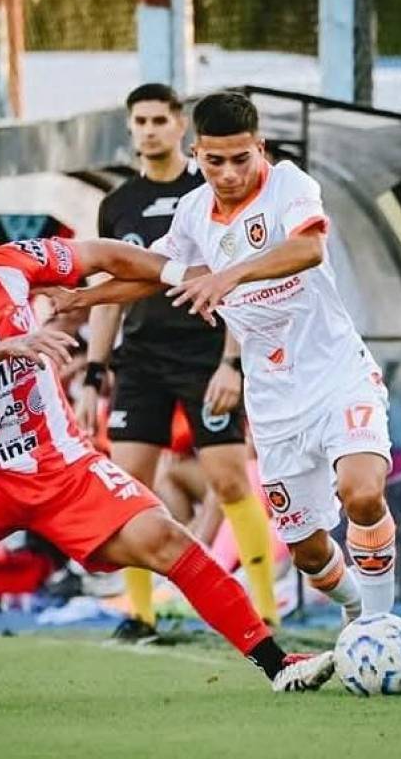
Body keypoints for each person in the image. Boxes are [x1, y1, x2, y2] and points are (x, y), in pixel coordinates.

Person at [0, 182, 334, 705]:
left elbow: (101, 254)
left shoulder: (13, 263)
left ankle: (278, 664)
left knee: (166, 539)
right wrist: (8, 347)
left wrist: (180, 273)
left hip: (63, 466)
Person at [46, 91, 396, 624]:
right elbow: (152, 274)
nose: (229, 173)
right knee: (307, 551)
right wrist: (84, 298)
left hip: (336, 373)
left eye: (241, 158)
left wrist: (227, 276)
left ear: (261, 148)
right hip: (274, 397)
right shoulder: (192, 212)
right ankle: (353, 608)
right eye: (215, 161)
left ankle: (380, 621)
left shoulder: (289, 184)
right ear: (197, 152)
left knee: (362, 493)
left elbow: (308, 248)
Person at [79, 83, 277, 641]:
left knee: (230, 481)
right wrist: (94, 372)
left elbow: (241, 282)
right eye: (139, 121)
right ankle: (140, 614)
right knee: (129, 487)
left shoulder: (209, 189)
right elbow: (111, 291)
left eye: (159, 120)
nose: (149, 130)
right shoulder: (117, 204)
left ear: (179, 127)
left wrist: (231, 363)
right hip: (141, 361)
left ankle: (266, 612)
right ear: (130, 128)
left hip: (203, 357)